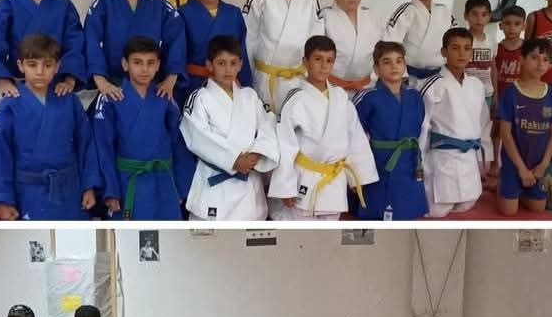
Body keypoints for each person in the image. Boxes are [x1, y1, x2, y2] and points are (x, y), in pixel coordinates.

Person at [0, 34, 101, 221]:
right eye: (32, 65)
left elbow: (86, 146)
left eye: (47, 65)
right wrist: (3, 200)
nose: (40, 71)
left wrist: (89, 186)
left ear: (57, 67)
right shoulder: (9, 105)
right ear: (21, 66)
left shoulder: (70, 101)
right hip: (28, 193)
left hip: (70, 190)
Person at [267, 35, 378, 221]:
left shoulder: (340, 97)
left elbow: (356, 138)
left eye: (329, 60)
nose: (324, 66)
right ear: (305, 62)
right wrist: (286, 187)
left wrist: (360, 176)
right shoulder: (296, 98)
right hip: (303, 177)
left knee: (328, 232)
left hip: (334, 180)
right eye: (318, 59)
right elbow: (285, 144)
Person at [92, 36, 195, 220]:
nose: (145, 69)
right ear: (125, 64)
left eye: (150, 63)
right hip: (128, 181)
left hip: (164, 182)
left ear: (158, 66)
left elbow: (179, 144)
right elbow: (103, 148)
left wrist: (181, 186)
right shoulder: (111, 100)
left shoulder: (165, 99)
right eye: (137, 62)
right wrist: (110, 190)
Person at [180, 35, 279, 221]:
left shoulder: (250, 96)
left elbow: (268, 126)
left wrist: (256, 154)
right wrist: (234, 160)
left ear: (240, 64)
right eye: (221, 63)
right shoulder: (200, 97)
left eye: (233, 63)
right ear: (209, 65)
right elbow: (196, 135)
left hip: (249, 185)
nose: (228, 69)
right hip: (215, 185)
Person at [85, 0, 185, 102]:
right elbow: (91, 40)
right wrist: (101, 82)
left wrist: (170, 80)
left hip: (152, 85)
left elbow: (176, 41)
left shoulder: (160, 4)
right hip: (113, 85)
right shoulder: (103, 1)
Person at [243, 0, 324, 111]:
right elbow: (248, 40)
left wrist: (315, 77)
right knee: (264, 124)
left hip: (299, 79)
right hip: (266, 78)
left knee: (298, 123)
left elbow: (317, 43)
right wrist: (247, 78)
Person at [352, 41, 430, 220]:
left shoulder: (415, 96)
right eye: (387, 62)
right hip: (380, 161)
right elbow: (354, 135)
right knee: (379, 210)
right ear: (376, 68)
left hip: (409, 159)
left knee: (409, 211)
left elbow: (420, 129)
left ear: (404, 65)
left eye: (398, 61)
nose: (394, 66)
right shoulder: (367, 96)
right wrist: (358, 172)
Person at [422, 27, 492, 218]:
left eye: (467, 48)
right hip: (443, 156)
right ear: (444, 51)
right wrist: (420, 162)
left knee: (467, 205)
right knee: (437, 211)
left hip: (469, 155)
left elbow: (483, 123)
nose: (462, 53)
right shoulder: (433, 84)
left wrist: (484, 160)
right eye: (455, 48)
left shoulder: (476, 85)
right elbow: (422, 126)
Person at [175, 0, 253, 107]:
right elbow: (177, 54)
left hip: (228, 85)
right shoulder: (183, 13)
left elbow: (241, 54)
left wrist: (246, 87)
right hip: (193, 85)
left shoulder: (234, 14)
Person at [496, 38, 552, 217]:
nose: (540, 63)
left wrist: (544, 164)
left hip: (538, 164)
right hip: (514, 163)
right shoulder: (510, 93)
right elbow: (505, 134)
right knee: (508, 211)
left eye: (545, 59)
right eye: (534, 57)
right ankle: (504, 183)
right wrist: (521, 169)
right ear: (522, 59)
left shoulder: (551, 93)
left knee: (538, 208)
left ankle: (521, 191)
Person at [384, 0, 455, 89]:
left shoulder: (444, 11)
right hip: (411, 78)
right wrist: (400, 75)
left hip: (440, 76)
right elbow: (390, 42)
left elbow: (456, 39)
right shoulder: (406, 10)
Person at [322, 0, 382, 95]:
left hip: (367, 86)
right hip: (332, 88)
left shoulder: (371, 16)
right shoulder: (324, 17)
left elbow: (382, 53)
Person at [490, 5, 527, 189]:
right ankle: (494, 161)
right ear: (500, 25)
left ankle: (515, 162)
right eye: (507, 24)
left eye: (517, 24)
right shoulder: (496, 49)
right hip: (502, 96)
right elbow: (493, 72)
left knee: (518, 132)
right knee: (497, 130)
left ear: (524, 26)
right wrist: (495, 95)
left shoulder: (527, 49)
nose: (512, 28)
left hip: (520, 98)